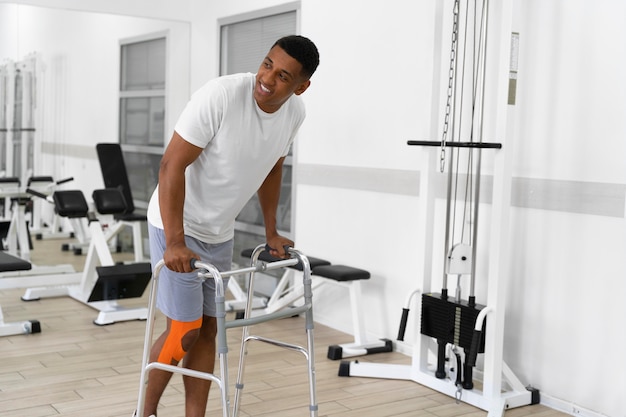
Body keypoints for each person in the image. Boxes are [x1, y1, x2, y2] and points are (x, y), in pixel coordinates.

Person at [137, 35, 319, 417]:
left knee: (208, 333)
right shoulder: (220, 95)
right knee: (184, 329)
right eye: (267, 63)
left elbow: (273, 166)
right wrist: (175, 241)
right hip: (175, 223)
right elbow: (172, 165)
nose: (267, 77)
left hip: (218, 231)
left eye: (283, 75)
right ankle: (145, 412)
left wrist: (271, 231)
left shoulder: (294, 114)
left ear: (301, 86)